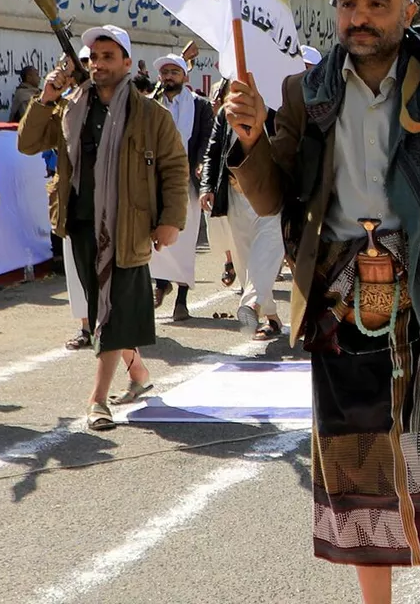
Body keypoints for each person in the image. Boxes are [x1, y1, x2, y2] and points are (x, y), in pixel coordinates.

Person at [221, 0, 420, 604]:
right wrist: (249, 143)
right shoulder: (306, 91)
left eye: (376, 4)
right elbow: (274, 197)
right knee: (354, 456)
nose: (359, 17)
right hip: (336, 297)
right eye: (348, 3)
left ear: (406, 10)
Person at [18, 25, 190, 432]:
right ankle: (137, 372)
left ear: (127, 63)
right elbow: (27, 143)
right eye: (93, 58)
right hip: (79, 222)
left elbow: (174, 167)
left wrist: (170, 220)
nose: (98, 65)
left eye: (108, 57)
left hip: (127, 227)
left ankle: (97, 400)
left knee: (110, 312)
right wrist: (46, 97)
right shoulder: (70, 106)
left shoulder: (151, 114)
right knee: (100, 309)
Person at [201, 79, 287, 339]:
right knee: (244, 260)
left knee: (268, 249)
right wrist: (207, 185)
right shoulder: (227, 110)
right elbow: (213, 150)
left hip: (271, 193)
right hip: (236, 193)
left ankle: (251, 304)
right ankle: (271, 317)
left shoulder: (278, 104)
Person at [146, 52, 212, 321]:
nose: (169, 77)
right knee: (154, 236)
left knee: (184, 241)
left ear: (185, 76)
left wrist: (200, 165)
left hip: (187, 182)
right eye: (165, 72)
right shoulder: (150, 105)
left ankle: (181, 300)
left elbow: (206, 140)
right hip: (156, 181)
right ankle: (161, 284)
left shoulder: (200, 106)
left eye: (175, 72)